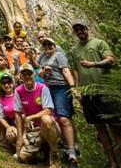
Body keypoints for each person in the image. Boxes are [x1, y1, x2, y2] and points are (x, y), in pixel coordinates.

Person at [69, 20, 121, 168]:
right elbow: (75, 70)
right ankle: (112, 162)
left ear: (86, 29)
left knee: (115, 127)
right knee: (100, 128)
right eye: (77, 30)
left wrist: (94, 64)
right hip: (88, 94)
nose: (80, 32)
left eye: (82, 29)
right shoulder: (74, 50)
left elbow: (111, 60)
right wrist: (78, 89)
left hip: (104, 90)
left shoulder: (99, 43)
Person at [38, 37, 78, 166]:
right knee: (53, 118)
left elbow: (66, 71)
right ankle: (63, 146)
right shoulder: (42, 57)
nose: (48, 47)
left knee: (64, 118)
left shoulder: (59, 55)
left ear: (54, 46)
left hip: (61, 87)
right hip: (48, 89)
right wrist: (45, 71)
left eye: (50, 45)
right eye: (45, 45)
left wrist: (72, 87)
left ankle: (72, 152)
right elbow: (40, 74)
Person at [14, 63, 61, 168]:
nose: (27, 76)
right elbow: (17, 113)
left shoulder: (42, 88)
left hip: (48, 127)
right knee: (22, 157)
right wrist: (20, 136)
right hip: (33, 130)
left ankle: (54, 154)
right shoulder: (18, 91)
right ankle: (41, 151)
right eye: (24, 74)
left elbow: (48, 110)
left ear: (34, 75)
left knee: (46, 119)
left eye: (29, 73)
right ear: (20, 76)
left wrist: (30, 117)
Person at [0, 74, 17, 146]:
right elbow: (0, 116)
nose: (7, 85)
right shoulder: (1, 98)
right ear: (1, 85)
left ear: (12, 83)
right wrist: (8, 127)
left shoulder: (18, 94)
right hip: (11, 122)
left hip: (22, 122)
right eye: (4, 83)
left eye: (9, 82)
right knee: (11, 134)